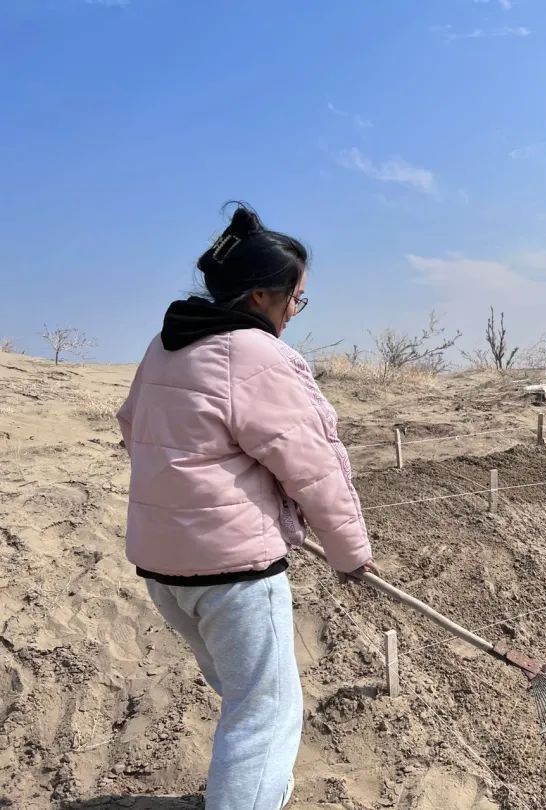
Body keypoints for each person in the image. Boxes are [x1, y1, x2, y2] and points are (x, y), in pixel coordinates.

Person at [117, 203, 377, 809]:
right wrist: (350, 554)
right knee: (266, 713)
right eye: (296, 296)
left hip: (162, 569)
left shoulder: (165, 346)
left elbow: (133, 429)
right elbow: (314, 468)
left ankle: (262, 788)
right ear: (262, 294)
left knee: (244, 697)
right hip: (232, 574)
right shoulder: (257, 357)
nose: (295, 309)